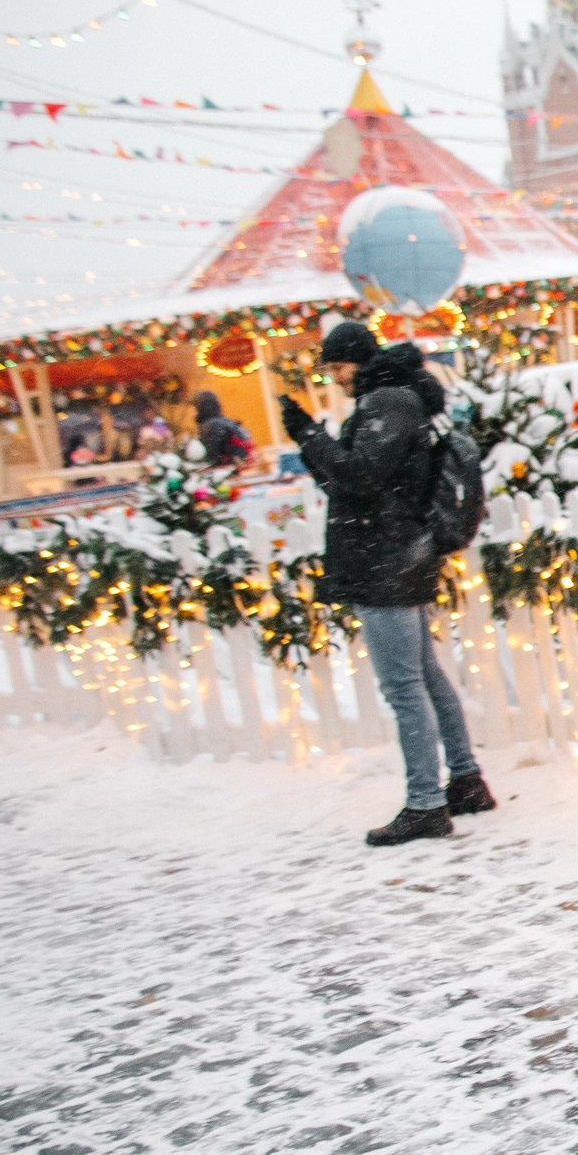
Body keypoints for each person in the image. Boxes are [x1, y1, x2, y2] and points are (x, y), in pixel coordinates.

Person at [278, 324, 494, 846]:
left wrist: (307, 434)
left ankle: (425, 804)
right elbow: (352, 478)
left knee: (404, 686)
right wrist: (314, 441)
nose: (335, 377)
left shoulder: (388, 401)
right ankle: (464, 780)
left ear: (359, 360)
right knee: (424, 676)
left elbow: (358, 475)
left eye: (338, 367)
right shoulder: (393, 399)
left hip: (386, 558)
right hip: (396, 554)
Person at [194, 390, 255, 468]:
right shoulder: (224, 420)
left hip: (231, 465)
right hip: (244, 460)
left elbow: (211, 454)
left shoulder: (211, 425)